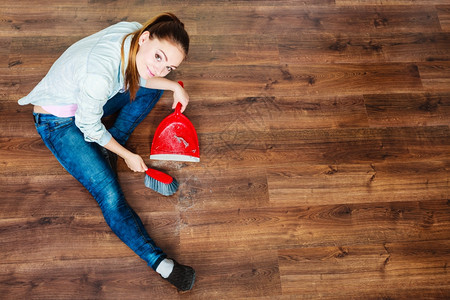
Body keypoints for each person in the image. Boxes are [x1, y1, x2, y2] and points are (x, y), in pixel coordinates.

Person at [18, 13, 195, 291]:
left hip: (88, 100)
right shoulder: (100, 75)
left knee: (153, 88)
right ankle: (160, 263)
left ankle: (113, 143)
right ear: (145, 38)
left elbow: (147, 76)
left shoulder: (137, 35)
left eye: (170, 67)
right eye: (159, 58)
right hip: (59, 121)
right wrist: (126, 154)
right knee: (110, 194)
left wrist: (173, 86)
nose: (161, 69)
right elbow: (89, 125)